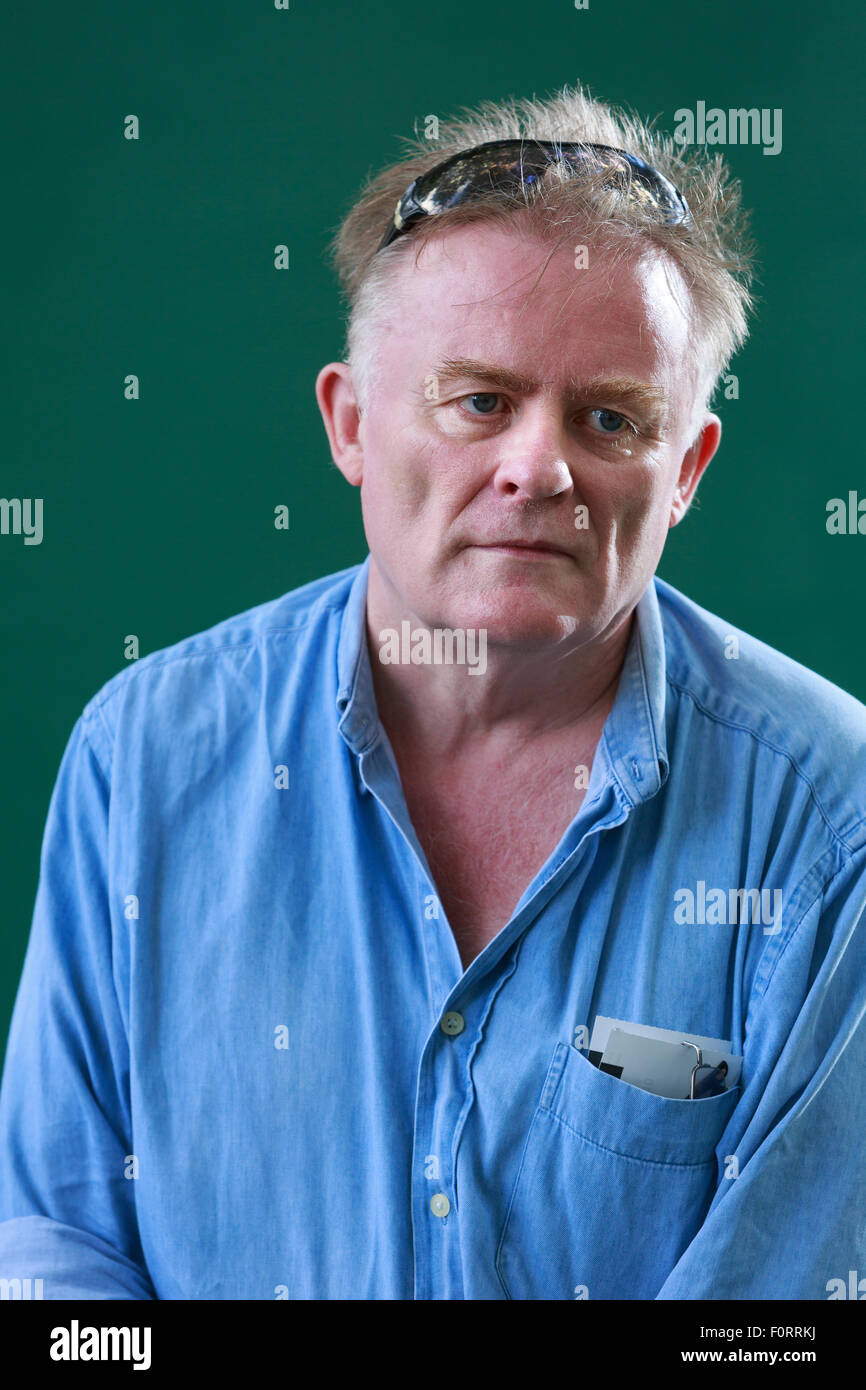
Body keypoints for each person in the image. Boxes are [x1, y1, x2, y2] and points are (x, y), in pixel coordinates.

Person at [1, 82, 865, 1301]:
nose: (537, 467)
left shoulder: (832, 827)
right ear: (350, 425)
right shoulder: (142, 759)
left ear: (685, 472)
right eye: (479, 401)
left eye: (611, 417)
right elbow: (55, 1251)